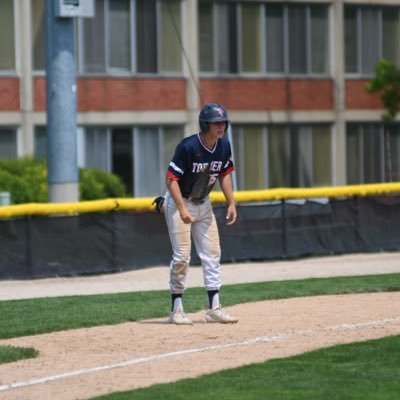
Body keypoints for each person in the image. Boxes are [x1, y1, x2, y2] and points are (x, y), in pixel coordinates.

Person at [163, 103, 238, 325]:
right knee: (182, 256)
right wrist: (182, 209)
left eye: (223, 122)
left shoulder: (224, 146)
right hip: (180, 202)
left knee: (213, 253)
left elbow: (224, 174)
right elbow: (170, 179)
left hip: (204, 203)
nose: (221, 126)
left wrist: (231, 203)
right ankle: (176, 310)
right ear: (205, 124)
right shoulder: (188, 146)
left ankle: (214, 308)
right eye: (216, 123)